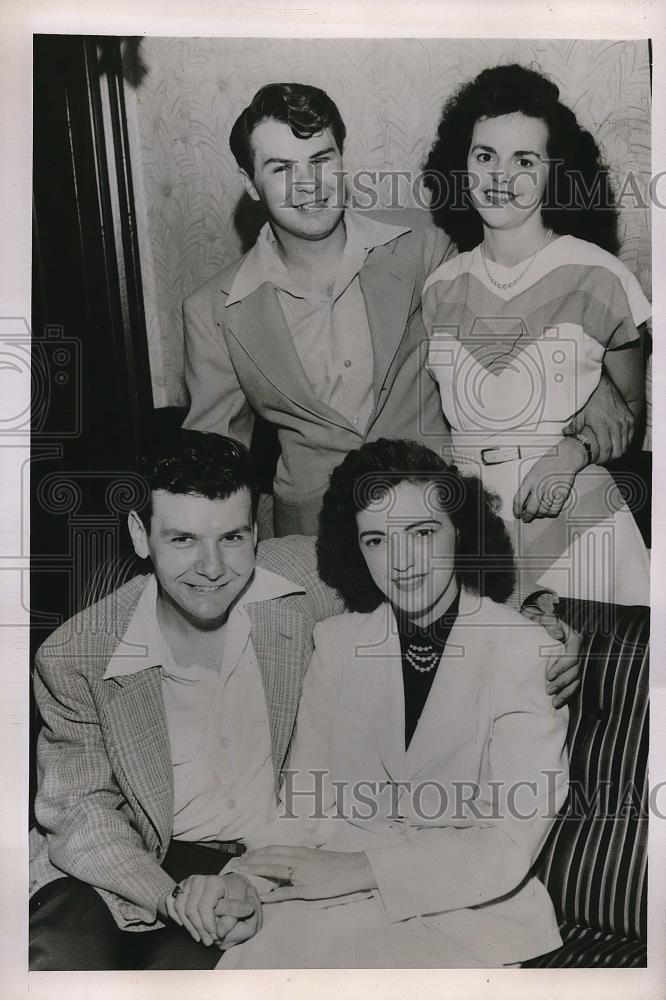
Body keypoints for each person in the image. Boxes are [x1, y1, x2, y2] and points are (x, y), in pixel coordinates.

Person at [182, 81, 626, 539]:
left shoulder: (423, 245)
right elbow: (210, 472)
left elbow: (514, 319)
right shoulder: (212, 311)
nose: (308, 185)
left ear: (341, 160)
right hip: (311, 543)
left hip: (442, 522)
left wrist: (592, 381)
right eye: (280, 168)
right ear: (249, 183)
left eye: (320, 159)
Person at [192, 438, 569, 968]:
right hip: (330, 899)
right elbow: (306, 801)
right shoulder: (338, 642)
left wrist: (362, 869)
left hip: (468, 909)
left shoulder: (525, 650)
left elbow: (507, 841)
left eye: (422, 532)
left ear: (459, 531)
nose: (402, 562)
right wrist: (246, 884)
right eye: (376, 540)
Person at [29, 430, 343, 970]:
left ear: (256, 531)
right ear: (139, 536)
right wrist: (170, 897)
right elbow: (82, 812)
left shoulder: (305, 583)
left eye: (232, 538)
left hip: (260, 860)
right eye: (182, 540)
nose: (212, 567)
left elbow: (419, 578)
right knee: (57, 962)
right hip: (124, 858)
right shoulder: (78, 654)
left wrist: (534, 630)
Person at [421, 64, 650, 606]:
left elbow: (629, 413)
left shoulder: (600, 276)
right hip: (475, 531)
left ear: (554, 171)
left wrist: (570, 455)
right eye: (485, 156)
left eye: (524, 160)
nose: (501, 176)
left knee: (590, 679)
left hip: (577, 515)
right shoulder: (439, 289)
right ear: (462, 165)